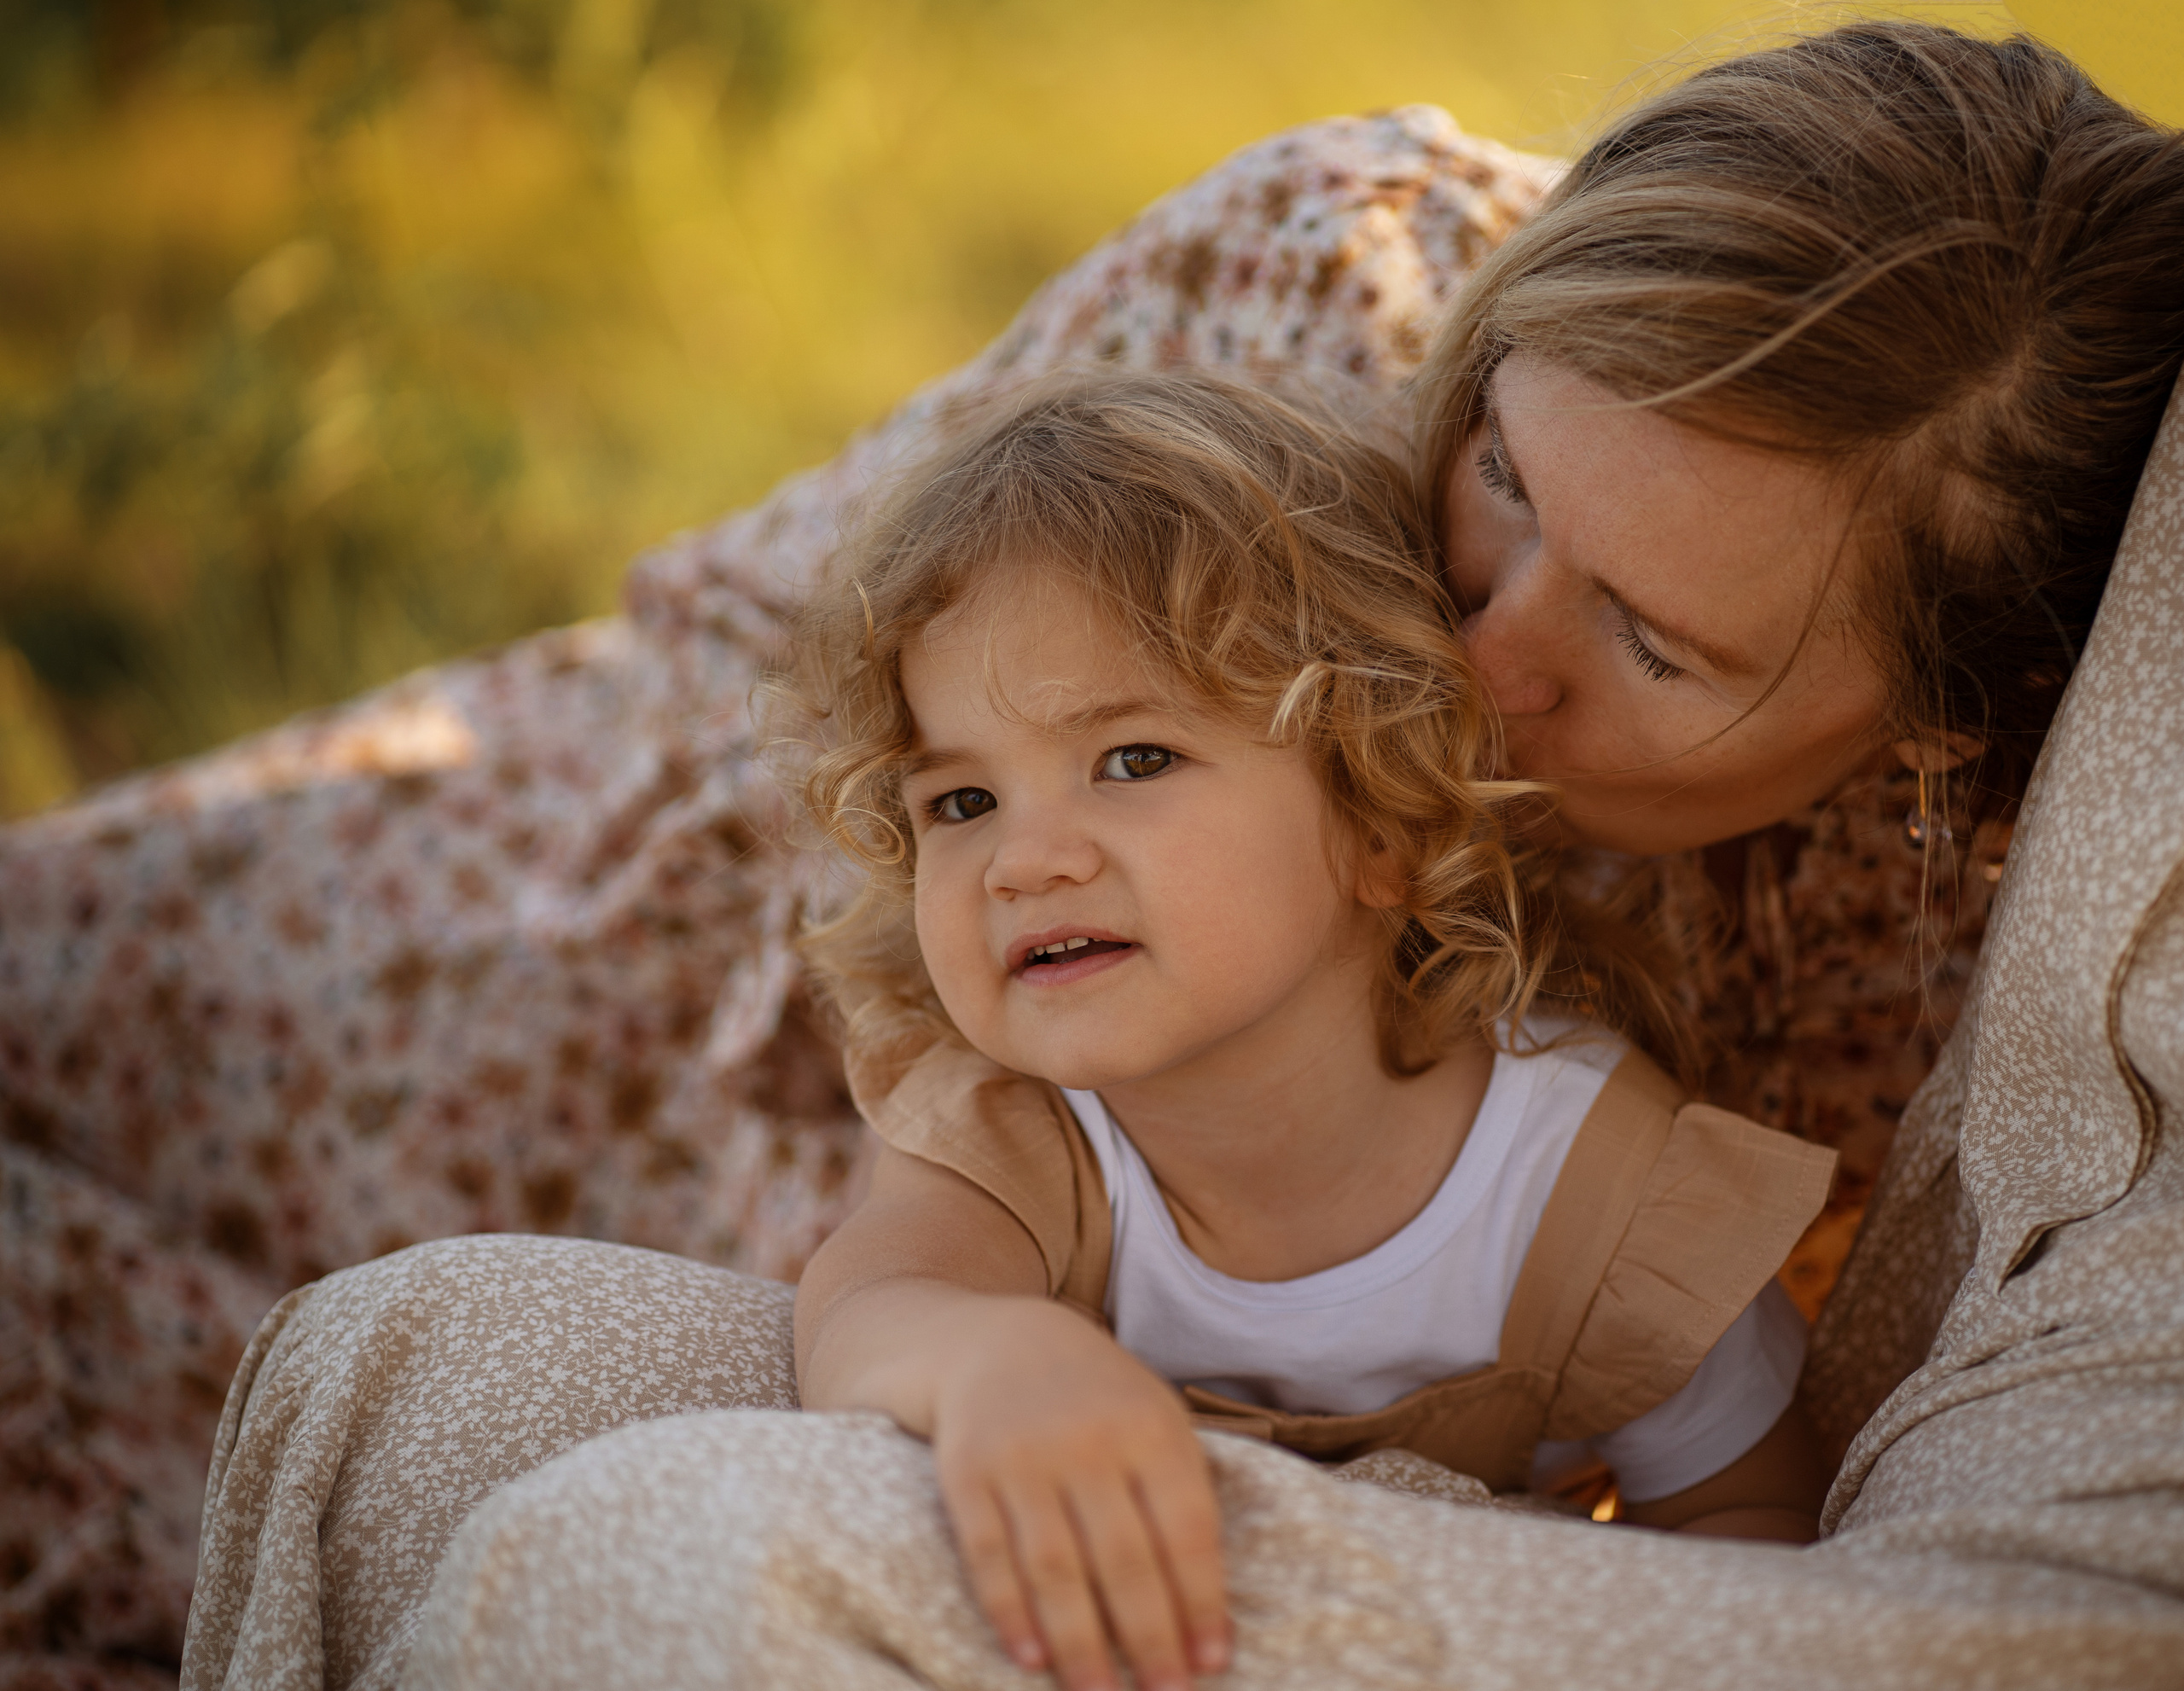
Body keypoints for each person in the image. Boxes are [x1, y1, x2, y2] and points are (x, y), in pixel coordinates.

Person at [17, 15, 2152, 1688]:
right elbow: (786, 685)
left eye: (1651, 641)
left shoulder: (1937, 973)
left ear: (1936, 725)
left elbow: (1707, 1482)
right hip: (605, 949)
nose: (1473, 649)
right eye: (1504, 469)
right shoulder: (1319, 299)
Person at [776, 370, 1835, 1691]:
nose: (1022, 861)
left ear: (1379, 818)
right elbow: (869, 1306)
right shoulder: (1016, 1129)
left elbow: (1755, 1525)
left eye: (1133, 760)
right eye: (962, 801)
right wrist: (985, 1357)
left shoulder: (1598, 1192)